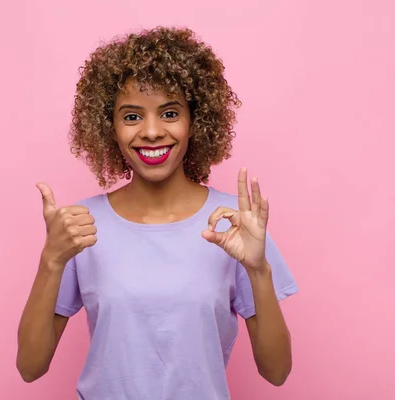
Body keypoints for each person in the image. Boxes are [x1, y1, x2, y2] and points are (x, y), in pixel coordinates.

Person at [17, 26, 298, 399]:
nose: (151, 131)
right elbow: (30, 367)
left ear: (195, 121)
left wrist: (259, 270)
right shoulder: (80, 227)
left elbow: (277, 372)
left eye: (169, 112)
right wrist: (51, 261)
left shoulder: (234, 224)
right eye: (131, 116)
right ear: (110, 127)